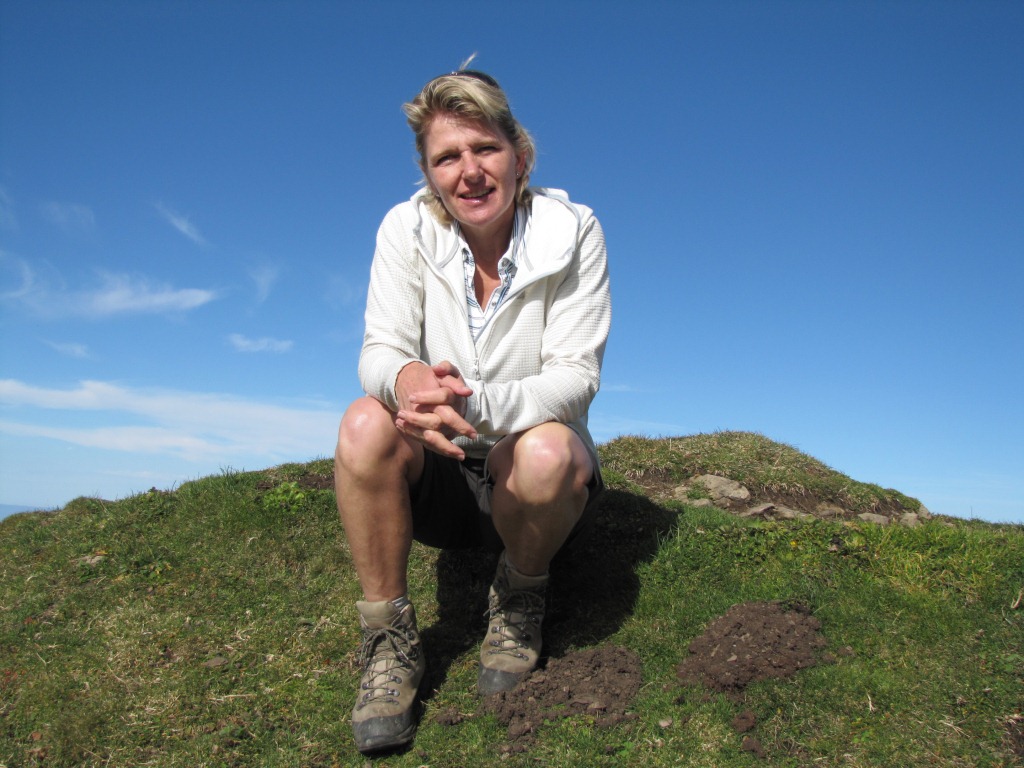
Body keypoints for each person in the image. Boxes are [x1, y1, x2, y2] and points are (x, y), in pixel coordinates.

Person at [333, 63, 611, 754]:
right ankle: (389, 640)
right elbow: (379, 349)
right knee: (363, 422)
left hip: (531, 478)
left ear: (521, 157)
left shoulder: (575, 230)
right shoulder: (403, 229)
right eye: (447, 157)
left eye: (486, 148)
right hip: (441, 464)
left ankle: (519, 595)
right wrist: (408, 379)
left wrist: (474, 404)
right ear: (429, 174)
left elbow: (575, 378)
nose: (470, 172)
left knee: (547, 450)